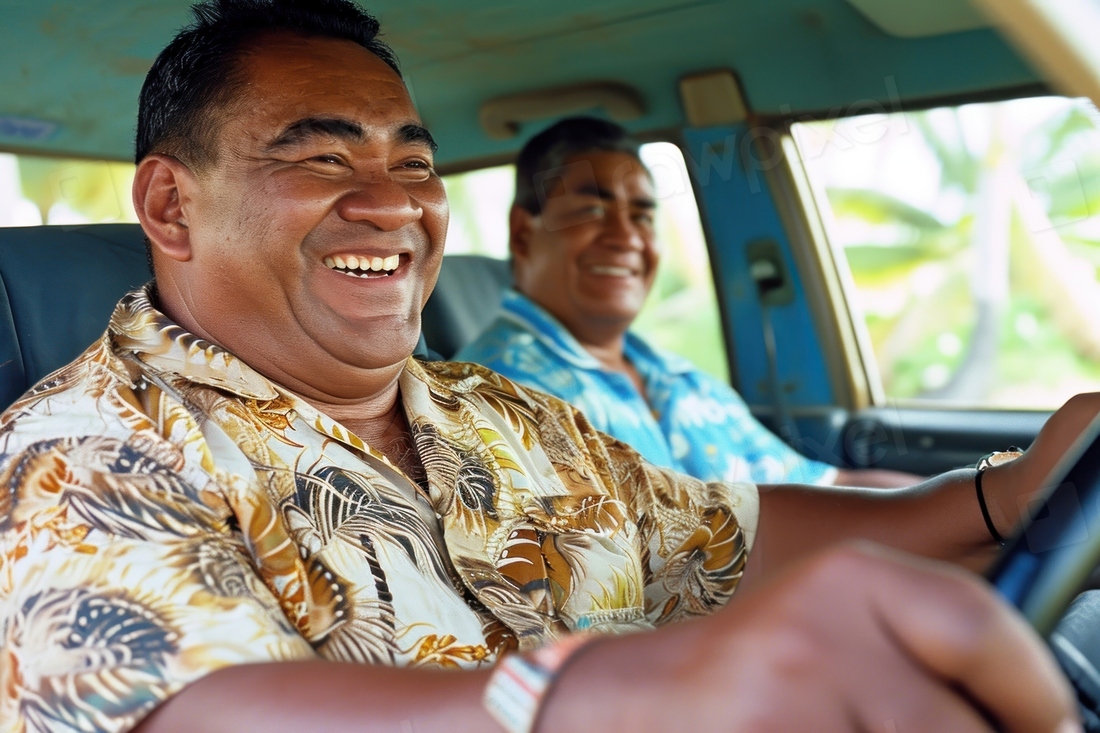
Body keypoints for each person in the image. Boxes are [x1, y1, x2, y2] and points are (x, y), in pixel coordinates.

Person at [0, 1, 1086, 732]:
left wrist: (1007, 492)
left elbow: (719, 535)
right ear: (168, 205)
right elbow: (197, 708)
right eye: (322, 156)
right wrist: (604, 696)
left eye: (413, 164)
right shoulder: (82, 449)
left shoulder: (499, 410)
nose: (395, 202)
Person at [458, 117, 919, 489]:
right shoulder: (497, 393)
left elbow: (827, 486)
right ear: (523, 232)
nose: (627, 238)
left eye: (642, 216)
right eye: (592, 210)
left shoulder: (681, 379)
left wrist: (975, 498)